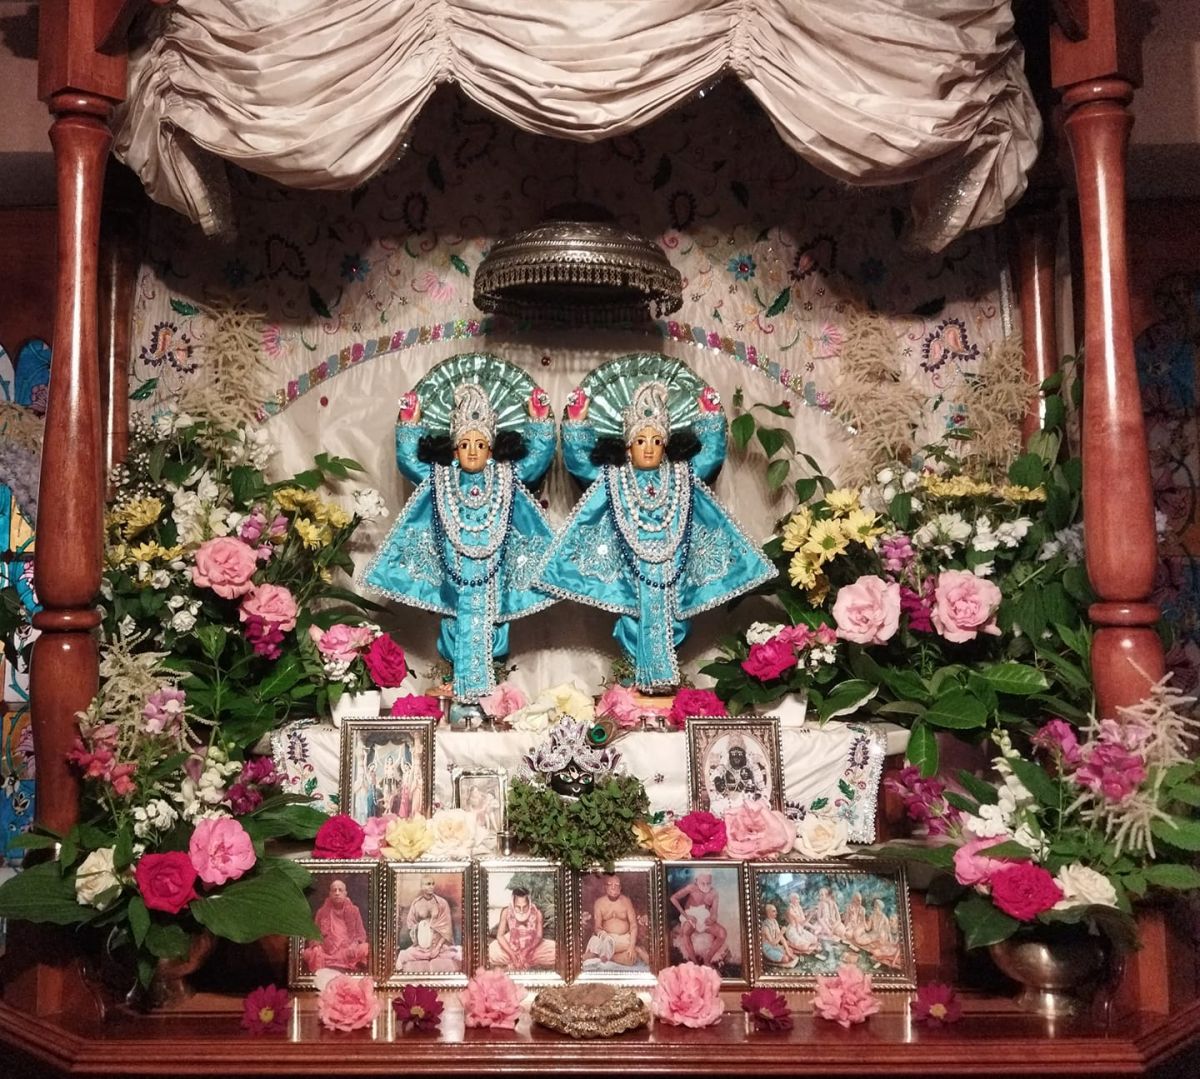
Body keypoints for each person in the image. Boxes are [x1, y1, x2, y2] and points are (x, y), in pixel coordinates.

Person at [537, 378, 773, 691]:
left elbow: (708, 459)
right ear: (627, 447)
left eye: (656, 441)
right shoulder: (616, 478)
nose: (648, 447)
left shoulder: (680, 475)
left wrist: (709, 419)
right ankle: (635, 677)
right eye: (640, 441)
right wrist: (577, 425)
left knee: (676, 620)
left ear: (666, 446)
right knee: (631, 620)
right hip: (628, 572)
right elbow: (582, 464)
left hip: (673, 569)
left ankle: (664, 679)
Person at [364, 377, 557, 702]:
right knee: (453, 621)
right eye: (465, 445)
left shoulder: (504, 477)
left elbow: (534, 462)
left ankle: (491, 681)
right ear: (455, 450)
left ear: (491, 450)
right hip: (452, 573)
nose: (472, 452)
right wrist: (409, 425)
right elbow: (411, 464)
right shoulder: (443, 478)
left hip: (495, 575)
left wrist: (539, 423)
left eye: (480, 445)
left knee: (494, 623)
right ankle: (456, 679)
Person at [302, 879, 370, 974]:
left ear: (345, 893)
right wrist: (316, 946)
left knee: (365, 947)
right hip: (327, 950)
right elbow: (313, 935)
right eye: (334, 890)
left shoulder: (354, 910)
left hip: (347, 950)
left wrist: (354, 945)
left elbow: (361, 934)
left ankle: (333, 962)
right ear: (330, 894)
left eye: (340, 890)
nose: (337, 893)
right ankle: (333, 961)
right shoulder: (321, 912)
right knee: (307, 953)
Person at [395, 877, 461, 972]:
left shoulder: (442, 903)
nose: (431, 886)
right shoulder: (416, 903)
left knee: (454, 956)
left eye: (433, 884)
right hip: (421, 947)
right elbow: (411, 923)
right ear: (422, 886)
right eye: (428, 884)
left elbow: (447, 929)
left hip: (439, 946)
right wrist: (420, 930)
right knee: (404, 955)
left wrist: (437, 948)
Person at [583, 875, 649, 968]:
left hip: (624, 939)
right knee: (590, 952)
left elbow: (633, 925)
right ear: (605, 887)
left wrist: (631, 946)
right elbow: (597, 927)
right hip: (606, 938)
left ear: (620, 888)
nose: (613, 887)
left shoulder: (626, 901)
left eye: (616, 885)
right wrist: (604, 936)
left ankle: (604, 956)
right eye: (610, 885)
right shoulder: (599, 903)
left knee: (630, 959)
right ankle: (604, 955)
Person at [487, 886, 557, 969]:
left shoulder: (537, 913)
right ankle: (517, 959)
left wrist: (527, 951)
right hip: (511, 943)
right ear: (513, 903)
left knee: (556, 951)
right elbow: (500, 936)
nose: (521, 911)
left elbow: (538, 936)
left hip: (532, 944)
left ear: (529, 903)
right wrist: (512, 954)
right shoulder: (506, 911)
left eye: (525, 907)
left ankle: (523, 960)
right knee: (490, 952)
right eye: (518, 907)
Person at [669, 871, 729, 966]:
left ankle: (707, 960)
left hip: (704, 916)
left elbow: (714, 913)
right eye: (703, 883)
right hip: (690, 915)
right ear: (696, 881)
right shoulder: (691, 888)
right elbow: (673, 898)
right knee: (686, 930)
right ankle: (695, 962)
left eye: (708, 883)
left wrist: (712, 919)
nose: (706, 886)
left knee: (722, 933)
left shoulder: (714, 893)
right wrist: (686, 916)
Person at [707, 736, 769, 814]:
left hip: (747, 803)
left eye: (739, 754)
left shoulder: (752, 767)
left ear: (744, 755)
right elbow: (712, 786)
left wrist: (758, 796)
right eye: (733, 754)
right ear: (729, 756)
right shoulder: (723, 767)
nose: (736, 757)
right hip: (728, 803)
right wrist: (719, 788)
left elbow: (762, 789)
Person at [759, 903, 800, 968]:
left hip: (775, 946)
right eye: (774, 911)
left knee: (790, 951)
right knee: (786, 959)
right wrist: (781, 932)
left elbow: (781, 938)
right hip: (768, 948)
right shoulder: (765, 926)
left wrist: (787, 951)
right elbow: (772, 943)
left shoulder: (774, 921)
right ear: (768, 913)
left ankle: (783, 954)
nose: (776, 913)